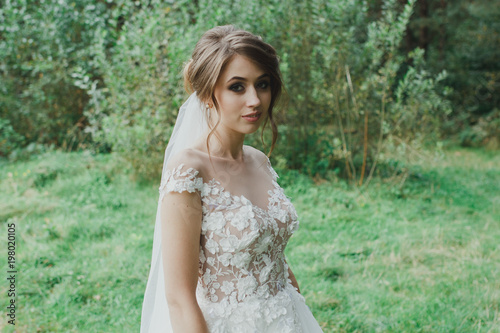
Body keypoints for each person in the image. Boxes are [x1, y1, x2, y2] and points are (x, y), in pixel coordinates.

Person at [141, 25, 323, 333]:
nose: (254, 100)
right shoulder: (188, 171)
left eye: (262, 84)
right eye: (237, 87)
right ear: (207, 94)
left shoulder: (259, 160)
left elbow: (273, 254)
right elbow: (179, 297)